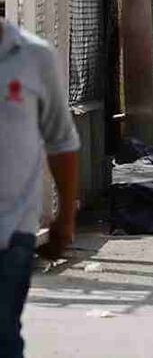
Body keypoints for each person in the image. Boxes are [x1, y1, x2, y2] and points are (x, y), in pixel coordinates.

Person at [0, 18, 80, 358]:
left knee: (3, 336)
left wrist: (65, 218)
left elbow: (61, 142)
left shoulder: (33, 56)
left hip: (12, 231)